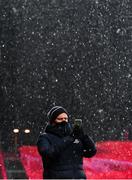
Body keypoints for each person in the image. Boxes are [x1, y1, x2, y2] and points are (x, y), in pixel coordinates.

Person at [37, 106, 97, 179]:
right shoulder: (45, 137)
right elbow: (47, 153)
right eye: (60, 119)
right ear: (52, 121)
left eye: (66, 119)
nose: (64, 121)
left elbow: (91, 152)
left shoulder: (75, 136)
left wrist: (83, 136)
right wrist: (68, 139)